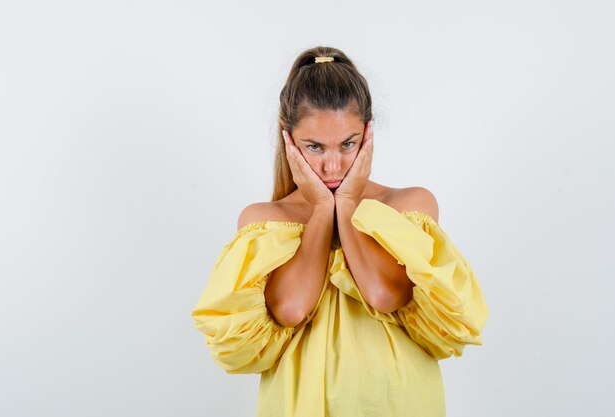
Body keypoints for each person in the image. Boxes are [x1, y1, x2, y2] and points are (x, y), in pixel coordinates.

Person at [191, 46, 489, 417]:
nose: (333, 166)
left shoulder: (410, 206)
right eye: (314, 147)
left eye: (348, 145)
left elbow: (384, 295)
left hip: (399, 404)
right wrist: (320, 210)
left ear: (367, 135)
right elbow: (292, 308)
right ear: (288, 141)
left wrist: (346, 203)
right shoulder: (264, 221)